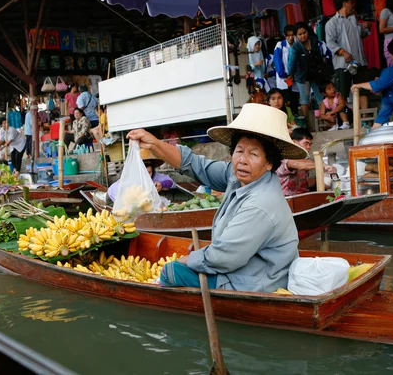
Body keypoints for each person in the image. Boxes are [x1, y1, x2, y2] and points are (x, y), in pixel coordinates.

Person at [127, 103, 306, 292]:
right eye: (239, 151)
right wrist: (154, 143)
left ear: (269, 163)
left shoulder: (260, 204)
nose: (243, 160)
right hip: (241, 269)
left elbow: (223, 257)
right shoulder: (239, 176)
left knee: (172, 271)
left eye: (253, 154)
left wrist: (185, 260)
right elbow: (194, 164)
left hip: (256, 283)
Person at [325, 0, 374, 111]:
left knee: (362, 90)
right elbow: (330, 42)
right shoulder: (331, 23)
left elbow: (359, 35)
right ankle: (346, 121)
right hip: (343, 64)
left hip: (359, 61)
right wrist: (343, 52)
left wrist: (366, 28)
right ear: (345, 4)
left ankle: (364, 117)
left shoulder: (353, 19)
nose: (353, 5)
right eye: (351, 2)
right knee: (343, 93)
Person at [288, 22, 329, 131]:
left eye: (304, 33)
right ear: (296, 35)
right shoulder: (295, 47)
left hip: (315, 74)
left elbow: (319, 57)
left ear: (308, 32)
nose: (303, 36)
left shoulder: (314, 41)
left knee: (321, 98)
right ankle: (308, 125)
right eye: (300, 34)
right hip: (302, 76)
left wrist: (323, 68)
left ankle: (324, 121)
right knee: (305, 101)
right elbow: (292, 63)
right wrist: (290, 75)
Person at [276, 128, 336, 196]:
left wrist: (327, 183)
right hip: (288, 201)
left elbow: (307, 182)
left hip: (304, 198)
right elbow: (298, 164)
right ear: (294, 142)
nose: (308, 147)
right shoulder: (284, 160)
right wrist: (324, 165)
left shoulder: (306, 161)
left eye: (310, 144)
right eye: (306, 143)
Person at [107, 148, 175, 202]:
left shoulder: (155, 176)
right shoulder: (127, 181)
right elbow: (114, 193)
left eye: (149, 172)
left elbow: (171, 182)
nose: (147, 176)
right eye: (143, 173)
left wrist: (161, 185)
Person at [273, 25, 300, 114]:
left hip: (295, 78)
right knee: (285, 101)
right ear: (284, 35)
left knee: (295, 100)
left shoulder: (298, 44)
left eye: (292, 35)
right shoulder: (280, 45)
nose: (291, 37)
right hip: (284, 79)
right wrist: (283, 74)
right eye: (288, 35)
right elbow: (277, 61)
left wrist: (294, 75)